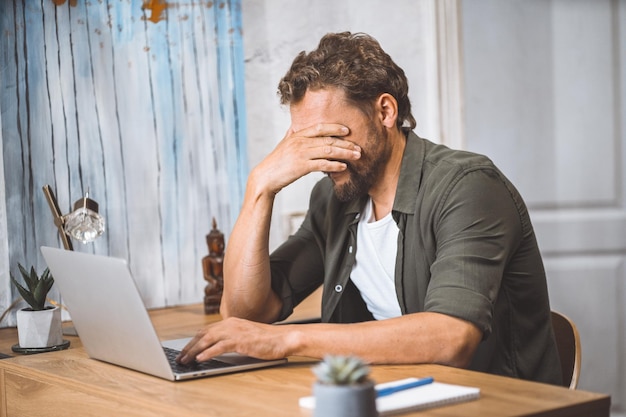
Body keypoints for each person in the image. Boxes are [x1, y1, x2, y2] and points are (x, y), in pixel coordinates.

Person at [178, 31, 562, 384]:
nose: (320, 155)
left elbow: (451, 336)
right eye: (304, 141)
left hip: (497, 402)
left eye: (330, 135)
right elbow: (246, 315)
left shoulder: (468, 186)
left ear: (385, 112)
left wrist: (285, 341)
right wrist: (259, 187)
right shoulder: (334, 199)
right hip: (398, 394)